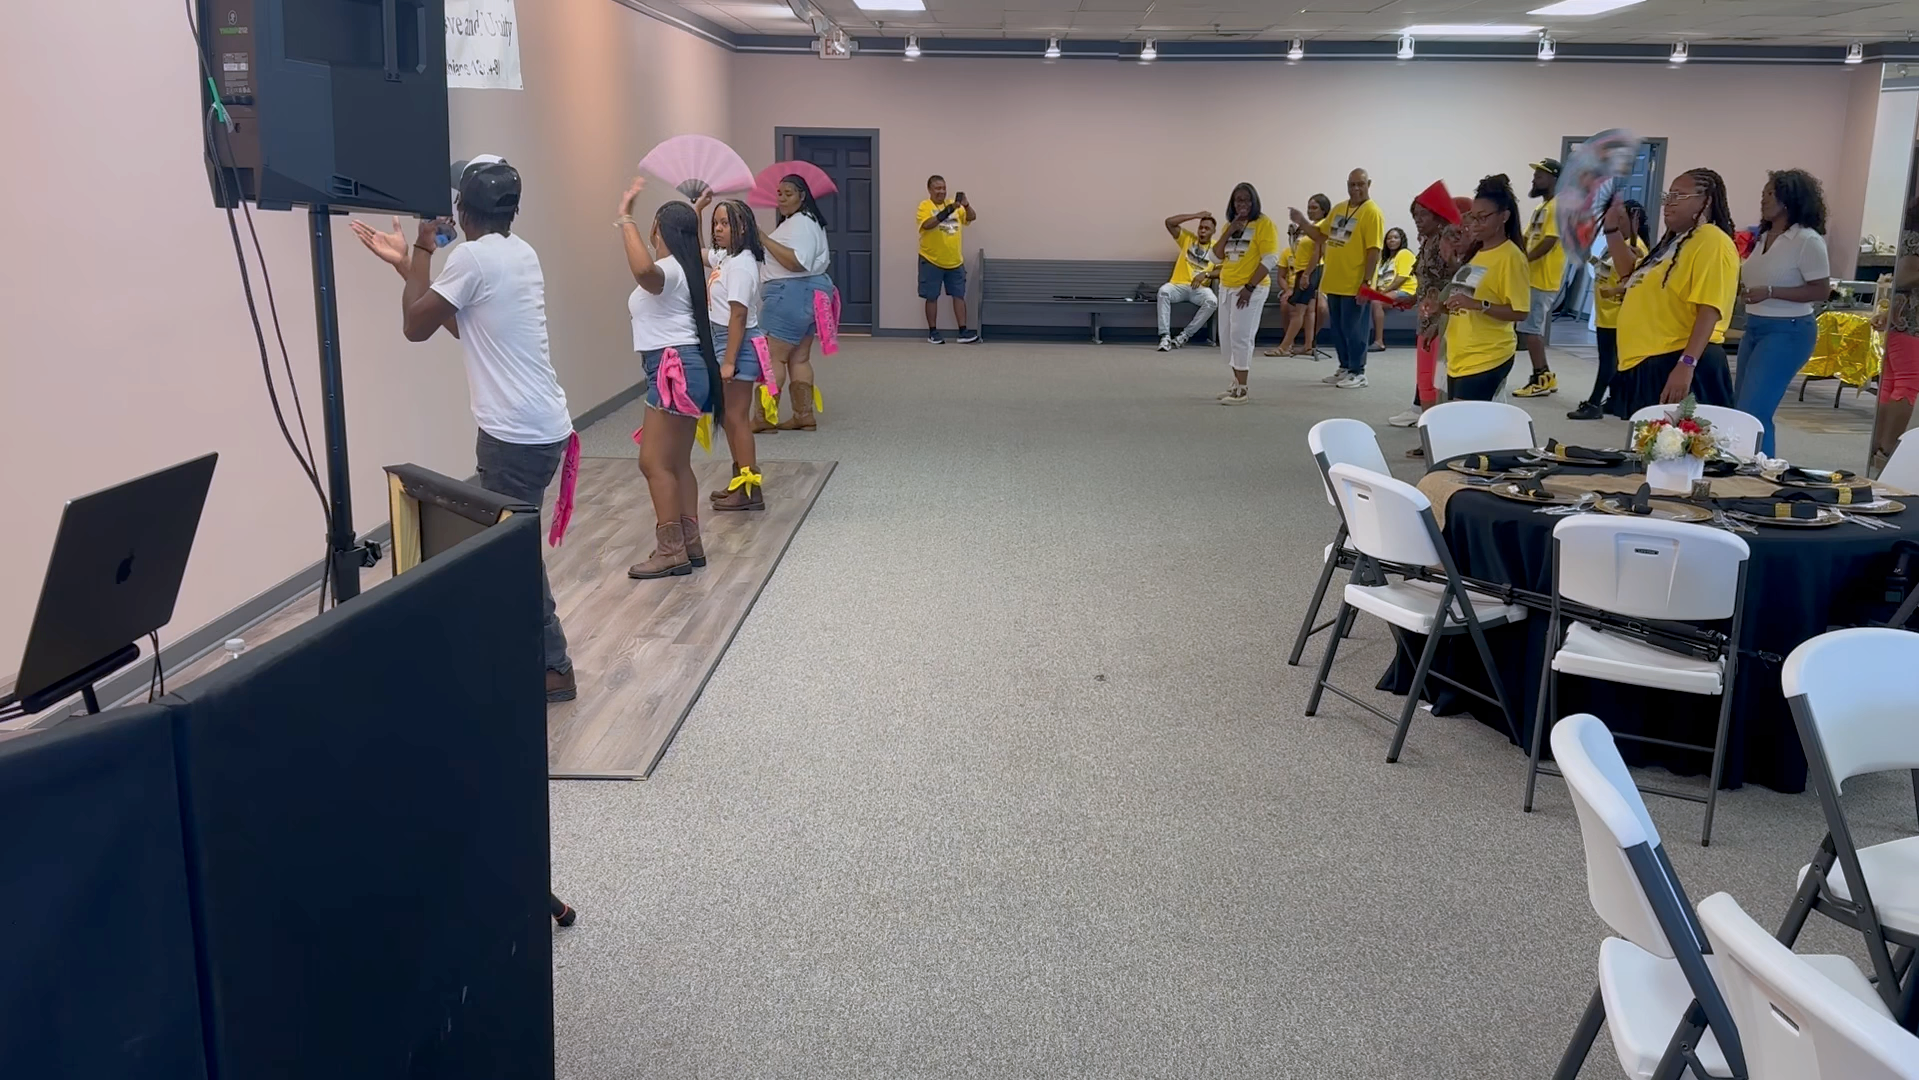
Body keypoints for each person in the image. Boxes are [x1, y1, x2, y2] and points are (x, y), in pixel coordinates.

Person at [349, 155, 578, 704]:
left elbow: (415, 327)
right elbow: (459, 323)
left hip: (514, 437)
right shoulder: (518, 253)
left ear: (460, 209)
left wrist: (422, 250)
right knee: (495, 539)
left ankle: (551, 665)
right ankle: (520, 655)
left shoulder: (471, 259)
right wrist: (409, 266)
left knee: (502, 548)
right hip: (540, 428)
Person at [619, 179, 721, 579]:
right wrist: (694, 209)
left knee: (654, 462)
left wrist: (624, 218)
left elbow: (643, 270)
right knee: (677, 463)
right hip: (685, 366)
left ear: (656, 231)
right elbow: (678, 237)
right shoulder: (686, 266)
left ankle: (671, 551)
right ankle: (690, 544)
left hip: (671, 368)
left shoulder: (667, 269)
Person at [1611, 167, 1740, 414]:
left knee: (1681, 447)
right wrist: (1611, 230)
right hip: (1650, 359)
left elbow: (1709, 309)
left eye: (1678, 196)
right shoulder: (1675, 243)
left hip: (1681, 360)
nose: (1668, 203)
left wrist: (1687, 363)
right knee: (1650, 446)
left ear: (1706, 200)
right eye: (1667, 196)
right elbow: (1629, 275)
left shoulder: (1711, 240)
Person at [1733, 168, 1832, 456]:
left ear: (1789, 199)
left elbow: (1821, 291)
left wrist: (1772, 292)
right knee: (1742, 409)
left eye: (1770, 193)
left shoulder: (1807, 240)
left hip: (1788, 331)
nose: (1763, 199)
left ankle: (1763, 475)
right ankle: (1745, 466)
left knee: (1756, 410)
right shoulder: (1764, 237)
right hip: (1754, 327)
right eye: (1763, 193)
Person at [1440, 174, 1531, 402]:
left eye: (1483, 218)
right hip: (1461, 354)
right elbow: (1464, 299)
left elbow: (1519, 312)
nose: (1475, 224)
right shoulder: (1478, 252)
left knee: (1465, 427)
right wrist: (1439, 306)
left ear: (1504, 217)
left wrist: (1478, 305)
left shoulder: (1511, 257)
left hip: (1487, 355)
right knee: (1465, 425)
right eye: (1473, 217)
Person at [705, 199, 771, 511]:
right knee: (731, 419)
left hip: (737, 343)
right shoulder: (726, 258)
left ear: (742, 227)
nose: (717, 229)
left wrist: (728, 361)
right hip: (725, 340)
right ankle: (740, 483)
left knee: (736, 418)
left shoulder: (742, 264)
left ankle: (749, 491)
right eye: (715, 222)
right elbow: (694, 249)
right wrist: (697, 207)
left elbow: (739, 317)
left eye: (725, 223)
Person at [1291, 170, 1384, 388]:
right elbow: (1319, 235)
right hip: (1334, 281)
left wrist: (1367, 283)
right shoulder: (1339, 209)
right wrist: (1301, 221)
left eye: (1360, 184)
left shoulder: (1372, 213)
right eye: (1352, 184)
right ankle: (1345, 367)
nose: (1356, 189)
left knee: (1355, 329)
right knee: (1339, 329)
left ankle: (1358, 371)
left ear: (1369, 184)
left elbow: (1374, 251)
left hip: (1355, 283)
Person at [761, 174, 836, 431]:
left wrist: (764, 239)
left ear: (802, 196)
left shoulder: (801, 223)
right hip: (809, 293)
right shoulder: (808, 221)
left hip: (790, 293)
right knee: (800, 358)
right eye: (779, 193)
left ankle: (763, 418)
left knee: (774, 358)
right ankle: (803, 415)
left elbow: (797, 262)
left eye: (788, 193)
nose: (781, 198)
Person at [1387, 182, 1463, 431]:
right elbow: (1427, 280)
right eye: (1415, 215)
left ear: (1437, 214)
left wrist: (1453, 260)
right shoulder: (1429, 240)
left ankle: (1435, 427)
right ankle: (1427, 423)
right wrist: (1410, 299)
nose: (1418, 220)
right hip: (1426, 315)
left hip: (1443, 317)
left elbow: (1458, 276)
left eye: (1423, 214)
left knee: (1436, 376)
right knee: (1426, 374)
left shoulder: (1448, 236)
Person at [1568, 197, 1650, 421]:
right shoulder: (1613, 244)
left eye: (1621, 219)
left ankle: (1593, 403)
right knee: (1609, 359)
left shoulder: (1637, 248)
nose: (1616, 223)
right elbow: (1605, 268)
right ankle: (1615, 400)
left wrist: (1612, 292)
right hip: (1605, 313)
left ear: (1635, 221)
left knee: (1608, 361)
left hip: (1617, 314)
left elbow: (1635, 282)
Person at [1210, 182, 1281, 405]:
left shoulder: (1264, 224)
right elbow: (1214, 258)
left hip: (1251, 289)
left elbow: (1270, 259)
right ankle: (1234, 382)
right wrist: (1229, 231)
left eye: (1247, 200)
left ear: (1254, 202)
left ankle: (1242, 389)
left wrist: (1249, 288)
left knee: (1242, 337)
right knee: (1229, 338)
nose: (1243, 204)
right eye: (1238, 200)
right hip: (1227, 287)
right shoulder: (1229, 226)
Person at [1512, 158, 1566, 398]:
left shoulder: (1558, 207)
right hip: (1531, 277)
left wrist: (1525, 260)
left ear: (1555, 180)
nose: (1535, 179)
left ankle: (1540, 377)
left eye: (1541, 175)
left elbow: (1549, 241)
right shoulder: (1541, 208)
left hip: (1543, 278)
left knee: (1531, 330)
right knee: (1528, 328)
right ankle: (1547, 376)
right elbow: (1527, 237)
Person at [1874, 193, 1919, 475]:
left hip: (1902, 318)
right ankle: (1888, 450)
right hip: (1912, 321)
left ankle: (1881, 448)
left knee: (1892, 383)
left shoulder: (1910, 233)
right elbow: (1904, 276)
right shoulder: (1915, 238)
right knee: (1907, 383)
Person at [917, 175, 978, 345]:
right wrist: (947, 211)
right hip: (931, 260)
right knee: (931, 296)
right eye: (937, 188)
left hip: (955, 261)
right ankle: (933, 332)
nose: (941, 191)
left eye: (943, 188)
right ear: (929, 189)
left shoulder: (955, 205)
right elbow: (927, 224)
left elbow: (971, 217)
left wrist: (965, 204)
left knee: (959, 295)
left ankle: (963, 331)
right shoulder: (925, 206)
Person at [1269, 193, 1331, 357]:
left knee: (1298, 312)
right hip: (1304, 271)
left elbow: (1318, 253)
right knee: (1309, 311)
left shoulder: (1321, 226)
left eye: (1314, 208)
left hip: (1309, 271)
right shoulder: (1313, 226)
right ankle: (1308, 346)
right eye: (1309, 207)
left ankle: (1283, 347)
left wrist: (1306, 275)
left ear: (1323, 210)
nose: (1310, 211)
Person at [1156, 211, 1220, 350]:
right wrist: (1195, 216)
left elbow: (1222, 270)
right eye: (1201, 227)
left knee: (1212, 302)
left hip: (1199, 289)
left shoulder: (1216, 248)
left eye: (1207, 228)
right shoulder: (1187, 239)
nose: (1202, 231)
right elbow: (1169, 222)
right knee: (1163, 292)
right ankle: (1165, 336)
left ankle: (1183, 336)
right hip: (1178, 285)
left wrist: (1206, 274)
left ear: (1214, 231)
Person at [1368, 226, 1416, 351]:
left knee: (1377, 302)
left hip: (1406, 291)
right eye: (1389, 238)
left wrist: (1382, 293)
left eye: (1395, 237)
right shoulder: (1386, 260)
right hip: (1390, 291)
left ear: (1402, 240)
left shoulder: (1404, 253)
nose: (1392, 240)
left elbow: (1402, 278)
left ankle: (1379, 342)